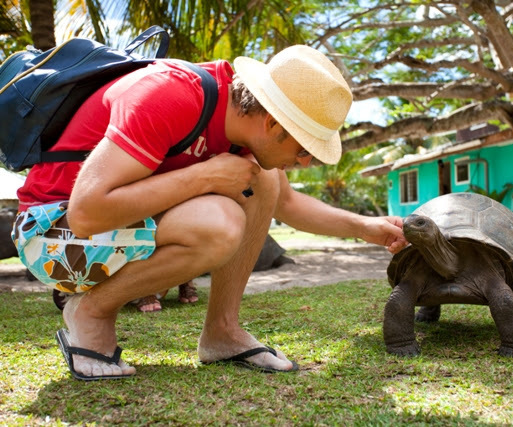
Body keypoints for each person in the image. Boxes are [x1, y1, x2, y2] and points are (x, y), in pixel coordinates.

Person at [12, 44, 408, 380]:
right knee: (218, 222)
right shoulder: (171, 95)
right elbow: (86, 213)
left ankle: (222, 332)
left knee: (263, 182)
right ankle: (91, 314)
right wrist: (203, 177)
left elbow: (285, 204)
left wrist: (365, 227)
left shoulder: (238, 132)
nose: (305, 162)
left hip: (99, 236)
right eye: (305, 149)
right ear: (272, 124)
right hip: (52, 238)